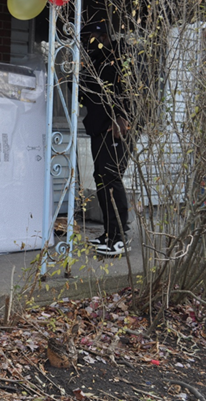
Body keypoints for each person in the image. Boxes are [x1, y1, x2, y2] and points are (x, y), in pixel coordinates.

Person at [80, 22, 133, 256]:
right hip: (97, 128)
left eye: (94, 36)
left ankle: (120, 238)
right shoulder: (94, 60)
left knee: (111, 178)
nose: (91, 41)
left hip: (114, 129)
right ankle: (109, 233)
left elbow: (131, 89)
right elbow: (86, 94)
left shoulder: (121, 56)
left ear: (103, 35)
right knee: (101, 178)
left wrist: (123, 117)